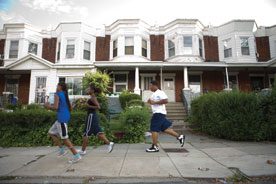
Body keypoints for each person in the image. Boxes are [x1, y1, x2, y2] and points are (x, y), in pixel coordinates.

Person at [45, 82, 81, 163]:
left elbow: (55, 107)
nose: (56, 86)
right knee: (51, 133)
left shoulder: (57, 94)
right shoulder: (64, 94)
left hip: (62, 119)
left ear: (60, 87)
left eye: (57, 85)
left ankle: (76, 155)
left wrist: (47, 106)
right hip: (63, 117)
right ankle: (62, 150)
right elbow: (69, 107)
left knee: (65, 138)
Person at [146, 80, 185, 152]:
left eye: (150, 86)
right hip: (159, 113)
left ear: (155, 86)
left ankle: (155, 146)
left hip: (158, 113)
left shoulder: (160, 92)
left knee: (154, 129)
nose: (149, 87)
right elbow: (149, 101)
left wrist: (155, 102)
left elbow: (166, 100)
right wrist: (151, 101)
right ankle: (180, 137)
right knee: (165, 129)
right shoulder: (154, 94)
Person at [78, 84, 114, 155]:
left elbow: (98, 107)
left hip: (91, 116)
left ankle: (83, 150)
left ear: (92, 90)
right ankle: (109, 143)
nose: (87, 90)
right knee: (98, 133)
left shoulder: (93, 97)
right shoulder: (91, 97)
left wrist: (88, 105)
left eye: (88, 89)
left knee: (86, 133)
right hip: (92, 116)